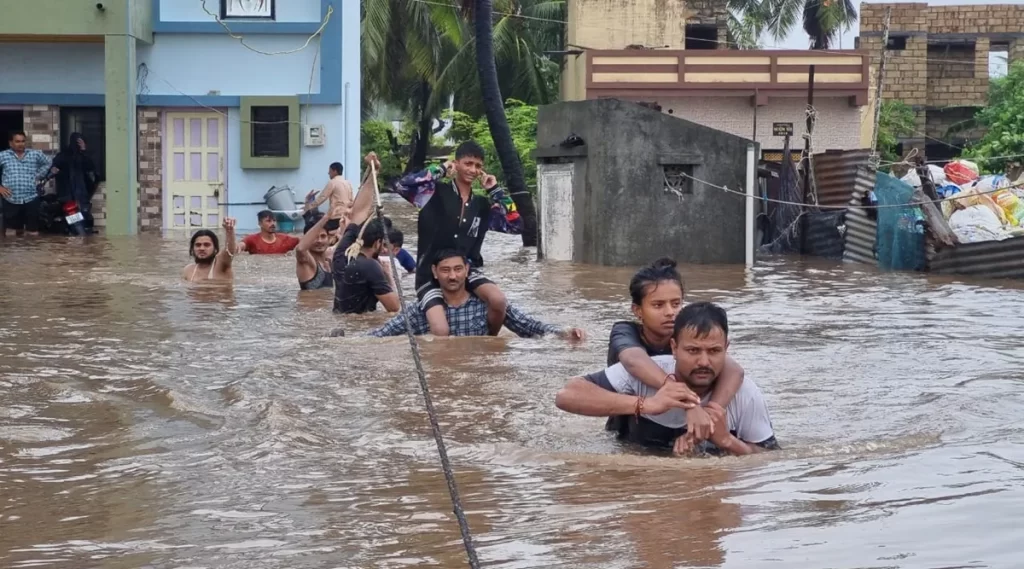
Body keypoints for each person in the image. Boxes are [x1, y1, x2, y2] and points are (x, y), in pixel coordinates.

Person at [555, 302, 779, 456]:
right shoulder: (647, 374)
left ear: (726, 350)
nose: (703, 362)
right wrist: (648, 405)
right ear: (673, 348)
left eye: (713, 351)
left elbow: (772, 460)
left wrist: (728, 441)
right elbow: (567, 395)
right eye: (692, 351)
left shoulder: (744, 393)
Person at [386, 141, 522, 337]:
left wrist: (495, 191)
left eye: (478, 166)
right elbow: (401, 185)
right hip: (430, 275)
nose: (473, 170)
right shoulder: (433, 193)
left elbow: (515, 225)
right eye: (468, 163)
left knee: (498, 301)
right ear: (456, 164)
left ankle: (488, 341)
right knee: (441, 330)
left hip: (467, 271)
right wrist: (439, 169)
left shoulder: (482, 205)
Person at [607, 258, 747, 444]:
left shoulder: (687, 335)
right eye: (658, 305)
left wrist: (712, 411)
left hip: (680, 422)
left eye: (676, 303)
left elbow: (734, 370)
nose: (670, 312)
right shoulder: (625, 331)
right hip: (629, 424)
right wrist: (686, 400)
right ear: (637, 310)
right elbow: (633, 360)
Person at [368, 250, 585, 340]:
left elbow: (529, 327)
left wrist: (564, 333)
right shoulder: (422, 310)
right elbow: (381, 336)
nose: (453, 276)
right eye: (445, 270)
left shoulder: (485, 305)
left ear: (467, 270)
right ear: (435, 272)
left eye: (458, 269)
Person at [334, 218, 401, 314]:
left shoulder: (342, 256)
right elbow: (394, 307)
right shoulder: (370, 266)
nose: (383, 248)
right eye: (384, 244)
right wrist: (389, 275)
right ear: (377, 243)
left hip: (342, 318)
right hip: (358, 325)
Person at [0, 131, 52, 237]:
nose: (21, 144)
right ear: (11, 143)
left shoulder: (35, 154)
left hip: (31, 197)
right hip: (10, 198)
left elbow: (49, 162)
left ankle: (31, 252)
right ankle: (14, 253)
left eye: (23, 141)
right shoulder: (3, 155)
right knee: (11, 232)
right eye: (17, 141)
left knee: (32, 231)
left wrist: (39, 175)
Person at [50, 132, 99, 233]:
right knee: (76, 227)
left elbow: (92, 170)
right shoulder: (63, 156)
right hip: (67, 198)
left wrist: (84, 151)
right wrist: (54, 170)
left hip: (82, 198)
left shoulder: (84, 157)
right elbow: (54, 168)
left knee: (85, 224)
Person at [296, 206, 344, 290]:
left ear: (329, 238)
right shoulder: (306, 261)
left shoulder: (329, 259)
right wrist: (326, 218)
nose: (319, 241)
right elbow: (300, 248)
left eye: (323, 236)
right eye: (315, 237)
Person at [183, 217, 238, 282]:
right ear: (192, 248)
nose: (202, 248)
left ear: (215, 248)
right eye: (198, 245)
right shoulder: (188, 270)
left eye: (207, 245)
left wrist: (229, 230)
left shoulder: (220, 265)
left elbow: (229, 252)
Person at [304, 161, 354, 231]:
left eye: (330, 171)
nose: (328, 173)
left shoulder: (332, 182)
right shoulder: (348, 183)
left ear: (335, 171)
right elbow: (352, 200)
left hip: (336, 217)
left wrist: (309, 206)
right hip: (347, 217)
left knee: (312, 226)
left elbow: (322, 197)